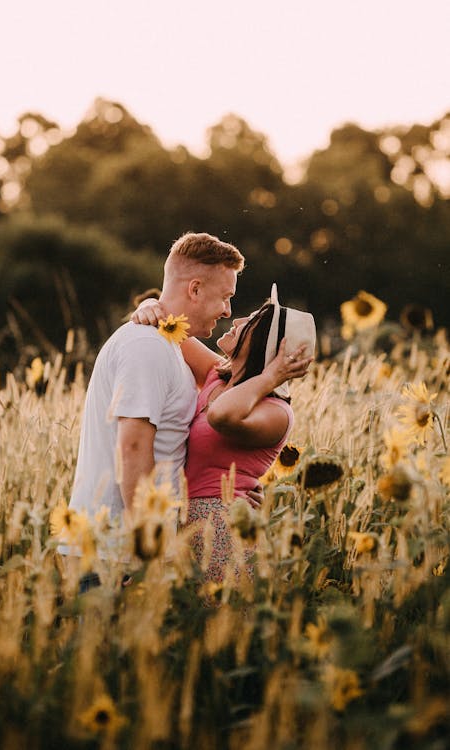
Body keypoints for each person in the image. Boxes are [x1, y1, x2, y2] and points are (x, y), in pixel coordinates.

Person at [132, 283, 315, 581]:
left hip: (222, 532)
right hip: (178, 521)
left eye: (251, 322)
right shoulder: (217, 377)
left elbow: (220, 416)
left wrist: (271, 376)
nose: (238, 320)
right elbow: (166, 326)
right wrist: (147, 306)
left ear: (267, 345)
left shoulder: (276, 412)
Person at [67, 232, 246, 533]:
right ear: (195, 289)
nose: (228, 311)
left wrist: (241, 484)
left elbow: (226, 378)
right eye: (226, 297)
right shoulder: (147, 345)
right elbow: (133, 447)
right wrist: (145, 549)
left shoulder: (170, 342)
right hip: (114, 551)